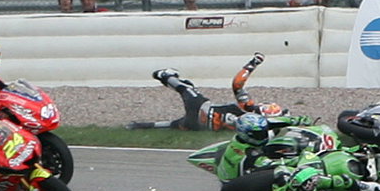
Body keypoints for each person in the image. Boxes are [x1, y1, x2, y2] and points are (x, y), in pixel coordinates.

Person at [129, 54, 316, 133]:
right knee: (173, 125)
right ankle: (139, 126)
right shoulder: (262, 132)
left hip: (203, 109)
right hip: (203, 127)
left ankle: (164, 75)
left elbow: (237, 84)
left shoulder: (248, 107)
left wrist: (253, 63)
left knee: (187, 89)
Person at [272, 146, 380, 191]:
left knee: (313, 155)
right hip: (324, 189)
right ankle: (360, 186)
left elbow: (304, 155)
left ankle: (347, 152)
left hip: (317, 168)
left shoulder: (283, 178)